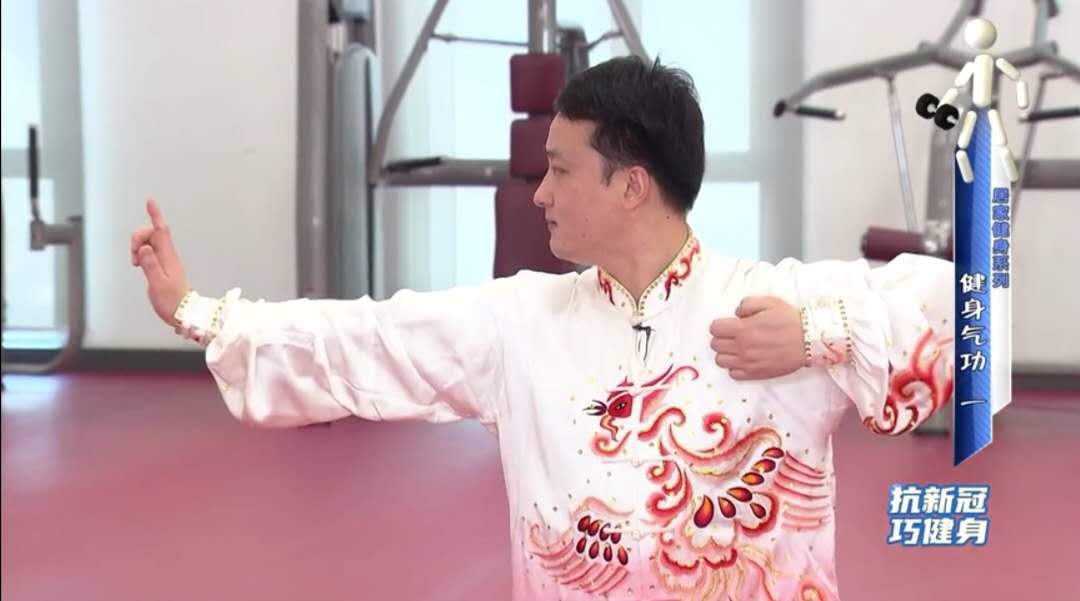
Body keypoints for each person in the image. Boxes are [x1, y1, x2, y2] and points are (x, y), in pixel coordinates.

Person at [131, 56, 953, 601]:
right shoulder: (522, 322)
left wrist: (819, 333)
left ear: (631, 187)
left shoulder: (771, 303)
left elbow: (965, 309)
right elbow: (370, 338)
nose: (540, 193)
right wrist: (197, 311)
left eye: (560, 169)